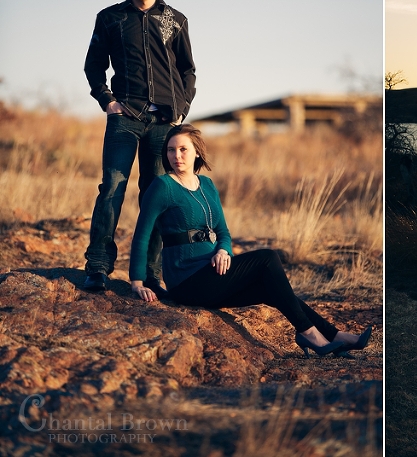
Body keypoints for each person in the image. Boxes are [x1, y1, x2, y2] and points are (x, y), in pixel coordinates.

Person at [129, 124, 372, 358]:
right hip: (186, 280)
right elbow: (142, 234)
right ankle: (308, 333)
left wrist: (224, 251)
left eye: (183, 149)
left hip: (212, 271)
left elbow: (223, 231)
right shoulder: (163, 186)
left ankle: (335, 336)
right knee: (267, 258)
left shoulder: (207, 185)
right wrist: (137, 282)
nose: (176, 156)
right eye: (171, 150)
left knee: (272, 289)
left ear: (197, 153)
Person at [83, 0, 196, 294]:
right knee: (112, 187)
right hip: (125, 117)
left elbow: (187, 70)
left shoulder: (176, 20)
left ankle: (151, 273)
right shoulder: (110, 18)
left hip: (164, 122)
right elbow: (93, 65)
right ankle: (98, 267)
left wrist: (181, 109)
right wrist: (107, 101)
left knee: (155, 194)